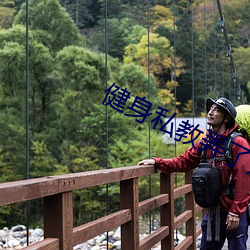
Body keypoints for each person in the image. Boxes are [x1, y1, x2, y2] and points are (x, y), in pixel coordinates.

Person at [138, 97, 250, 250]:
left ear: (227, 118)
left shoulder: (238, 143)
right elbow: (184, 161)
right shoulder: (206, 142)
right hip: (213, 210)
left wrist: (236, 212)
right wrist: (158, 162)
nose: (210, 112)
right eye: (210, 109)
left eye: (216, 110)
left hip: (233, 210)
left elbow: (244, 179)